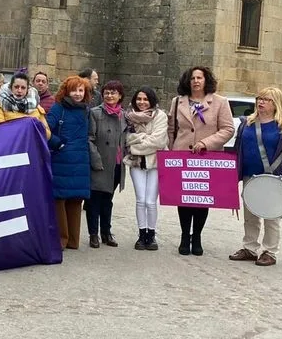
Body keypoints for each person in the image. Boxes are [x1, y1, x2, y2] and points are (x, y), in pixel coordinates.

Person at [228, 87, 282, 267]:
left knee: (271, 216)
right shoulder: (247, 123)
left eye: (266, 99)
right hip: (249, 176)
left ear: (276, 104)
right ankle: (250, 248)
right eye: (259, 98)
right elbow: (238, 149)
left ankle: (270, 251)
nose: (260, 102)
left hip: (273, 178)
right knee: (250, 214)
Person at [168, 66, 233, 256]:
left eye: (200, 78)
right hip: (182, 156)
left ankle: (196, 236)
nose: (196, 81)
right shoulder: (177, 102)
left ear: (206, 81)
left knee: (201, 199)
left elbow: (228, 129)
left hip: (207, 157)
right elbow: (172, 129)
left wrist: (206, 142)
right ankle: (184, 236)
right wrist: (172, 152)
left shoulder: (220, 102)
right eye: (192, 78)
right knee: (184, 198)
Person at [46, 76, 93, 250]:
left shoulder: (85, 110)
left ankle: (73, 240)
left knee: (75, 200)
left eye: (81, 90)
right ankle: (61, 239)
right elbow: (45, 129)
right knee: (59, 199)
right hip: (62, 158)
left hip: (80, 159)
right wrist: (57, 143)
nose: (78, 94)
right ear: (66, 91)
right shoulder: (58, 108)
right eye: (74, 90)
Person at [124, 87, 168, 251]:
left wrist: (136, 143)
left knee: (151, 201)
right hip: (137, 163)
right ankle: (142, 234)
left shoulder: (160, 116)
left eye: (146, 99)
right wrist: (141, 139)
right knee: (140, 200)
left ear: (152, 100)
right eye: (139, 99)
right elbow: (127, 139)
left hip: (155, 163)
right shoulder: (128, 117)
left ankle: (152, 234)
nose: (142, 102)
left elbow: (159, 141)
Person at [86, 81, 127, 249]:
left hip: (117, 164)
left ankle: (106, 232)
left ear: (120, 96)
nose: (110, 95)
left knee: (108, 200)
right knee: (94, 200)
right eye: (107, 92)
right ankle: (93, 234)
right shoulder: (95, 113)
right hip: (100, 163)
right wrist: (96, 160)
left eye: (114, 93)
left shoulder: (124, 115)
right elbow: (89, 139)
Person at [0, 73, 50, 138]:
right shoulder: (0, 104)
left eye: (23, 88)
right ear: (11, 87)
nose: (19, 90)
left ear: (27, 90)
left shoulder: (36, 106)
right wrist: (25, 125)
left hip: (31, 145)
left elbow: (47, 135)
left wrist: (37, 127)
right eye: (16, 87)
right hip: (10, 145)